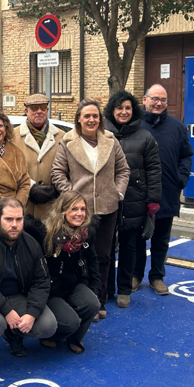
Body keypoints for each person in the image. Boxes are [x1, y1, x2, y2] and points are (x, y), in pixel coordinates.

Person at [51, 98, 129, 321]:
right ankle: (83, 303)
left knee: (103, 256)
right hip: (78, 212)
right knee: (78, 257)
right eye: (87, 116)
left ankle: (100, 300)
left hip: (107, 207)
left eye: (95, 116)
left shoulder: (111, 141)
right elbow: (57, 172)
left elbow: (124, 170)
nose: (92, 120)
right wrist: (72, 198)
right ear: (79, 118)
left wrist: (118, 193)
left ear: (100, 119)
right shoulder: (67, 142)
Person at [0, 197, 56, 372]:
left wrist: (32, 313)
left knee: (48, 325)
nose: (14, 224)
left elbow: (42, 281)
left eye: (18, 219)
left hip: (17, 295)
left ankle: (13, 333)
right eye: (9, 219)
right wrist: (6, 310)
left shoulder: (31, 244)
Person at [104, 91, 162, 309]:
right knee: (106, 247)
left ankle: (124, 289)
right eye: (119, 108)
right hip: (107, 200)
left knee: (130, 246)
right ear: (112, 110)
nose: (124, 112)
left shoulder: (145, 137)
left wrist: (153, 200)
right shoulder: (103, 135)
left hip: (134, 200)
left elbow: (154, 170)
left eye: (128, 108)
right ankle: (107, 288)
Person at [137, 84, 193, 296]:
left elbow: (186, 155)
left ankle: (157, 276)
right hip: (139, 194)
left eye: (163, 99)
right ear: (145, 100)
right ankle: (136, 275)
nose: (158, 103)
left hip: (167, 192)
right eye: (154, 99)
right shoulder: (136, 125)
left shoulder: (177, 127)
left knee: (161, 239)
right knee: (138, 238)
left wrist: (182, 178)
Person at [36, 191, 101, 353]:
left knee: (93, 303)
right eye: (74, 209)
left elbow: (92, 261)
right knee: (70, 321)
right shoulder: (47, 233)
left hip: (73, 283)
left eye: (82, 209)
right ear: (63, 211)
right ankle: (53, 337)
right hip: (51, 289)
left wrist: (95, 288)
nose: (79, 214)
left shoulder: (87, 233)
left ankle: (75, 338)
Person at [13, 93, 65, 220]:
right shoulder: (13, 136)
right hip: (23, 206)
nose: (39, 112)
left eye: (42, 107)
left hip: (51, 207)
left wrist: (56, 189)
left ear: (47, 110)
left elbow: (67, 168)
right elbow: (9, 169)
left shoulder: (62, 137)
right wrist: (30, 188)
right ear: (26, 111)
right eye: (34, 108)